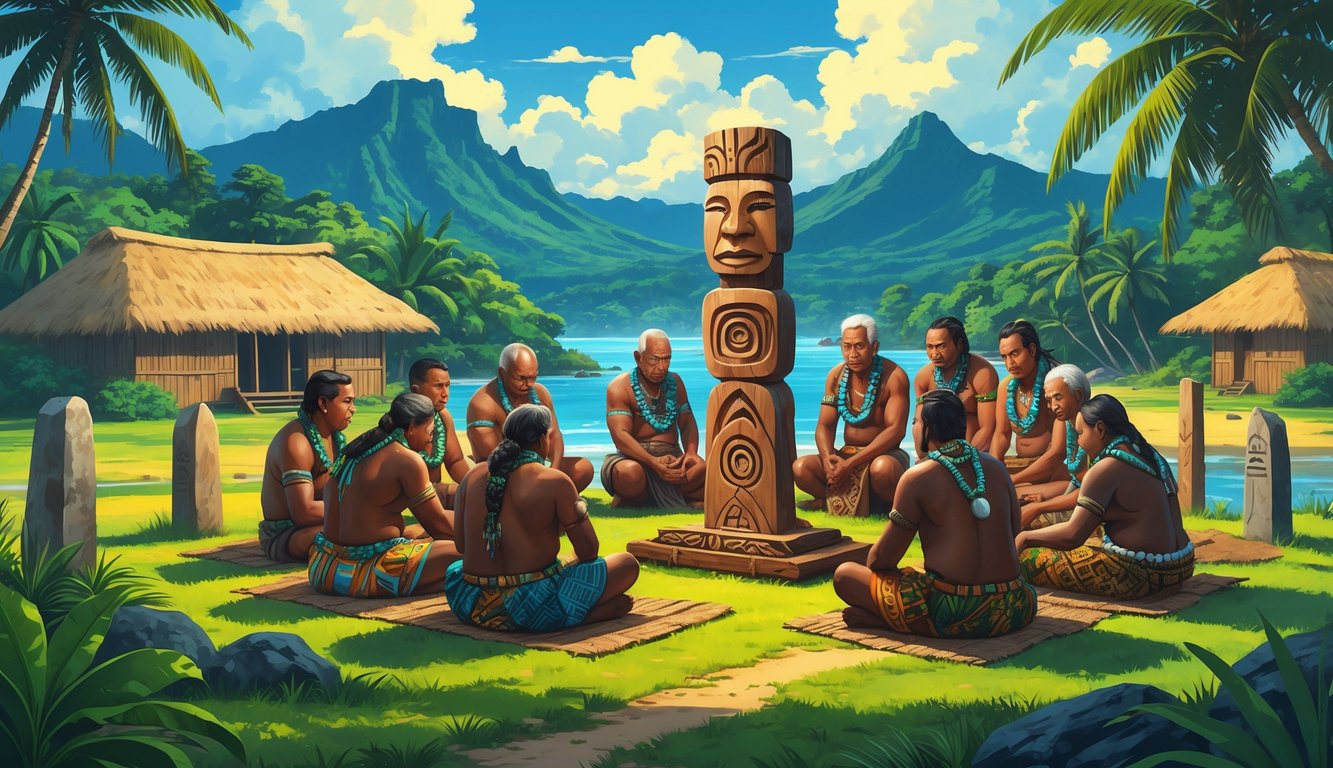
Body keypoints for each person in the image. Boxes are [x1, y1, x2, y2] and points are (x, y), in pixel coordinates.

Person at [833, 390, 1036, 638]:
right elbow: (1014, 533)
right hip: (1015, 604)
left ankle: (889, 622)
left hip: (954, 611)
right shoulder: (997, 467)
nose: (914, 429)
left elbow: (880, 562)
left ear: (927, 428)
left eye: (916, 422)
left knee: (845, 575)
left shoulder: (917, 477)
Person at [447, 404, 640, 631]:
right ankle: (580, 616)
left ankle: (567, 615)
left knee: (455, 568)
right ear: (542, 439)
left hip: (470, 602)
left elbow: (461, 545)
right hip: (532, 606)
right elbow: (589, 551)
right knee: (627, 564)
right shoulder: (554, 481)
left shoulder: (471, 476)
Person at [1016, 395, 1194, 600]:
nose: (1080, 442)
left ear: (1100, 429)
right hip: (1181, 565)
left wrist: (1024, 538)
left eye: (1081, 434)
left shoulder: (1105, 469)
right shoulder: (1150, 456)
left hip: (1141, 573)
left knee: (1029, 558)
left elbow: (1072, 536)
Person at [308, 393, 460, 597]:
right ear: (412, 428)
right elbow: (439, 525)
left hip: (323, 567)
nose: (431, 438)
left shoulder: (359, 447)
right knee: (470, 554)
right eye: (430, 431)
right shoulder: (408, 461)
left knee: (415, 533)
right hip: (369, 569)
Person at [793, 314, 911, 516]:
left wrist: (851, 464)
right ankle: (826, 500)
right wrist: (828, 459)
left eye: (859, 346)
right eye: (847, 347)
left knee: (883, 469)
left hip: (884, 455)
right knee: (801, 467)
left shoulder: (894, 377)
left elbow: (896, 431)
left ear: (874, 347)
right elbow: (825, 426)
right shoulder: (836, 377)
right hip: (846, 454)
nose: (852, 354)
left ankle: (886, 506)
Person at [466, 343, 594, 493]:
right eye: (521, 378)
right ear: (502, 373)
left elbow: (554, 436)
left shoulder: (540, 393)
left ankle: (546, 502)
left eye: (533, 377)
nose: (529, 384)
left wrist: (553, 471)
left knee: (582, 468)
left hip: (537, 470)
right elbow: (494, 458)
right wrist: (534, 477)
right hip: (500, 476)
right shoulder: (482, 404)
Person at [601, 329, 705, 508]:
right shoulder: (620, 387)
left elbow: (687, 422)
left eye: (666, 359)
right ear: (638, 357)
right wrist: (654, 463)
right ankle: (669, 497)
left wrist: (690, 452)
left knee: (700, 468)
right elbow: (621, 437)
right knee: (630, 475)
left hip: (673, 458)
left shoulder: (676, 382)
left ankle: (640, 499)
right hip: (634, 459)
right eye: (654, 359)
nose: (661, 367)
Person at [259, 370, 355, 563]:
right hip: (288, 535)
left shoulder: (333, 437)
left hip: (324, 523)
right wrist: (356, 510)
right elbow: (304, 512)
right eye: (347, 401)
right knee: (360, 530)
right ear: (323, 403)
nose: (353, 409)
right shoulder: (297, 443)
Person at [1018, 364, 1093, 529]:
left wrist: (1042, 506)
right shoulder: (1067, 422)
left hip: (1093, 504)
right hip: (1077, 493)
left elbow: (1094, 491)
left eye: (1058, 398)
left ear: (1078, 395)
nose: (1053, 406)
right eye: (1049, 400)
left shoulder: (1094, 429)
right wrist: (1045, 501)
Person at [912, 316, 999, 452]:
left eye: (941, 346)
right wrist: (926, 458)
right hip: (935, 457)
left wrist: (966, 458)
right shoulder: (923, 378)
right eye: (930, 347)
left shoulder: (982, 374)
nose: (935, 354)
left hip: (973, 455)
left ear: (959, 344)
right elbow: (920, 425)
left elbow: (988, 428)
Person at [991, 320, 1060, 475]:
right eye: (1004, 357)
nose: (1010, 363)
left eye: (1014, 354)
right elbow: (1002, 433)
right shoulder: (1006, 387)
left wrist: (1017, 480)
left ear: (1032, 349)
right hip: (1019, 464)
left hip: (1052, 468)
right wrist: (996, 466)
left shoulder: (1053, 385)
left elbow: (1058, 450)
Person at [408, 358, 471, 508]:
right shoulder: (403, 422)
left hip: (436, 493)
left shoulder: (443, 416)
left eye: (448, 386)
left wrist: (476, 486)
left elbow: (455, 461)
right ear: (416, 390)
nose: (445, 394)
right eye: (438, 386)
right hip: (410, 494)